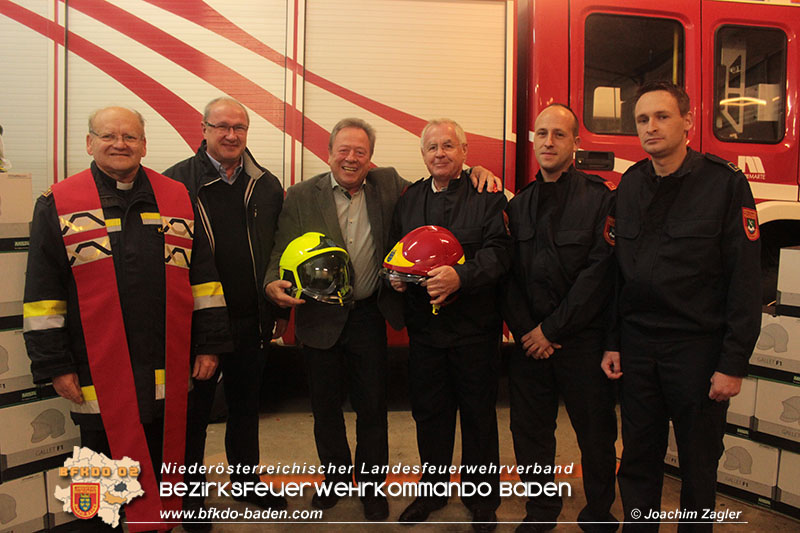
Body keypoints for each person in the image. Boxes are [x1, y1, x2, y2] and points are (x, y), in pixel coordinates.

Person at [264, 117, 500, 522]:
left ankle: (375, 489)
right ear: (329, 152)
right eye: (344, 150)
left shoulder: (390, 186)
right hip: (320, 316)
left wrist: (477, 170)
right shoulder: (303, 195)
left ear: (371, 158)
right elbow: (280, 246)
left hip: (369, 314)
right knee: (326, 409)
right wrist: (272, 281)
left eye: (361, 152)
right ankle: (338, 481)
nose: (351, 159)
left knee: (373, 408)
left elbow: (444, 178)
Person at [23, 107, 231, 531]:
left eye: (131, 137)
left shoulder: (175, 197)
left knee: (166, 457)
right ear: (89, 142)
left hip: (165, 370)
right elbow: (43, 295)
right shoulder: (58, 203)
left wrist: (210, 344)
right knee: (101, 477)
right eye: (109, 136)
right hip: (94, 370)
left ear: (144, 145)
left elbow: (204, 279)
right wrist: (54, 365)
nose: (120, 144)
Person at [601, 81, 761, 531]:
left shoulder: (724, 184)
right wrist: (613, 341)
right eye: (642, 120)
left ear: (688, 122)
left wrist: (732, 363)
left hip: (697, 350)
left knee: (698, 464)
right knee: (637, 459)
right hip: (637, 348)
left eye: (662, 116)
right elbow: (618, 275)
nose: (651, 127)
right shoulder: (629, 185)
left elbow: (744, 283)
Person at [163, 97, 287, 526]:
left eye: (240, 127)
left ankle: (247, 482)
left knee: (245, 407)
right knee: (193, 416)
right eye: (222, 126)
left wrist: (277, 315)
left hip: (252, 320)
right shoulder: (175, 184)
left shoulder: (267, 185)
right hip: (198, 324)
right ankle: (189, 500)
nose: (231, 135)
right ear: (203, 129)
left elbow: (278, 251)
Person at [388, 118, 511, 533]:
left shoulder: (488, 195)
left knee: (478, 416)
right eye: (431, 148)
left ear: (464, 153)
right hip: (425, 333)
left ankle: (482, 500)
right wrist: (395, 277)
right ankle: (433, 491)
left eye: (448, 146)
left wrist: (463, 275)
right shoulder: (408, 200)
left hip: (475, 331)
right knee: (430, 416)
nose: (439, 153)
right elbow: (396, 252)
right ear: (422, 155)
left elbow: (500, 254)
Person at [503, 104, 618, 533]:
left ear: (575, 144)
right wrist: (528, 333)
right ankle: (541, 512)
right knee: (530, 434)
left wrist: (552, 330)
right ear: (533, 141)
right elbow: (507, 278)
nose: (548, 142)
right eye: (542, 134)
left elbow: (600, 272)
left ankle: (599, 511)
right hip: (531, 342)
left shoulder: (600, 199)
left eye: (559, 135)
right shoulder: (519, 206)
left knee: (596, 434)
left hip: (581, 342)